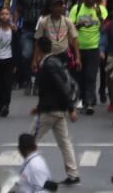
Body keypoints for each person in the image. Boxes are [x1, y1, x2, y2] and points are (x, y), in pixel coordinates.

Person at [31, 36, 82, 185]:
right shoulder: (55, 61)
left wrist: (71, 108)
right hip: (58, 110)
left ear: (38, 48)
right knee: (65, 143)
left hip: (50, 111)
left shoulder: (48, 65)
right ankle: (73, 174)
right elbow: (53, 89)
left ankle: (32, 174)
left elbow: (60, 87)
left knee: (29, 141)